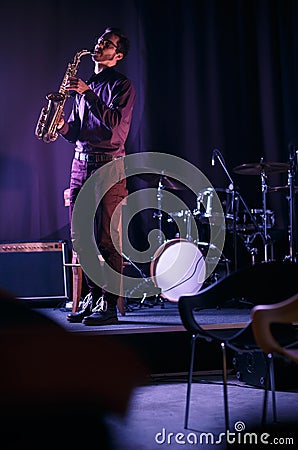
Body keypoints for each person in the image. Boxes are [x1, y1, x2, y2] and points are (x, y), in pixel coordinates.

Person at [57, 27, 136, 325]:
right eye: (99, 40)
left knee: (107, 240)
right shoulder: (86, 85)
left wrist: (87, 94)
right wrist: (62, 125)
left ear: (118, 55)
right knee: (81, 239)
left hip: (109, 167)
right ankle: (92, 296)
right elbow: (77, 131)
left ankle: (109, 304)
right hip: (80, 165)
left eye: (107, 42)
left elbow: (114, 127)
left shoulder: (122, 85)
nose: (99, 44)